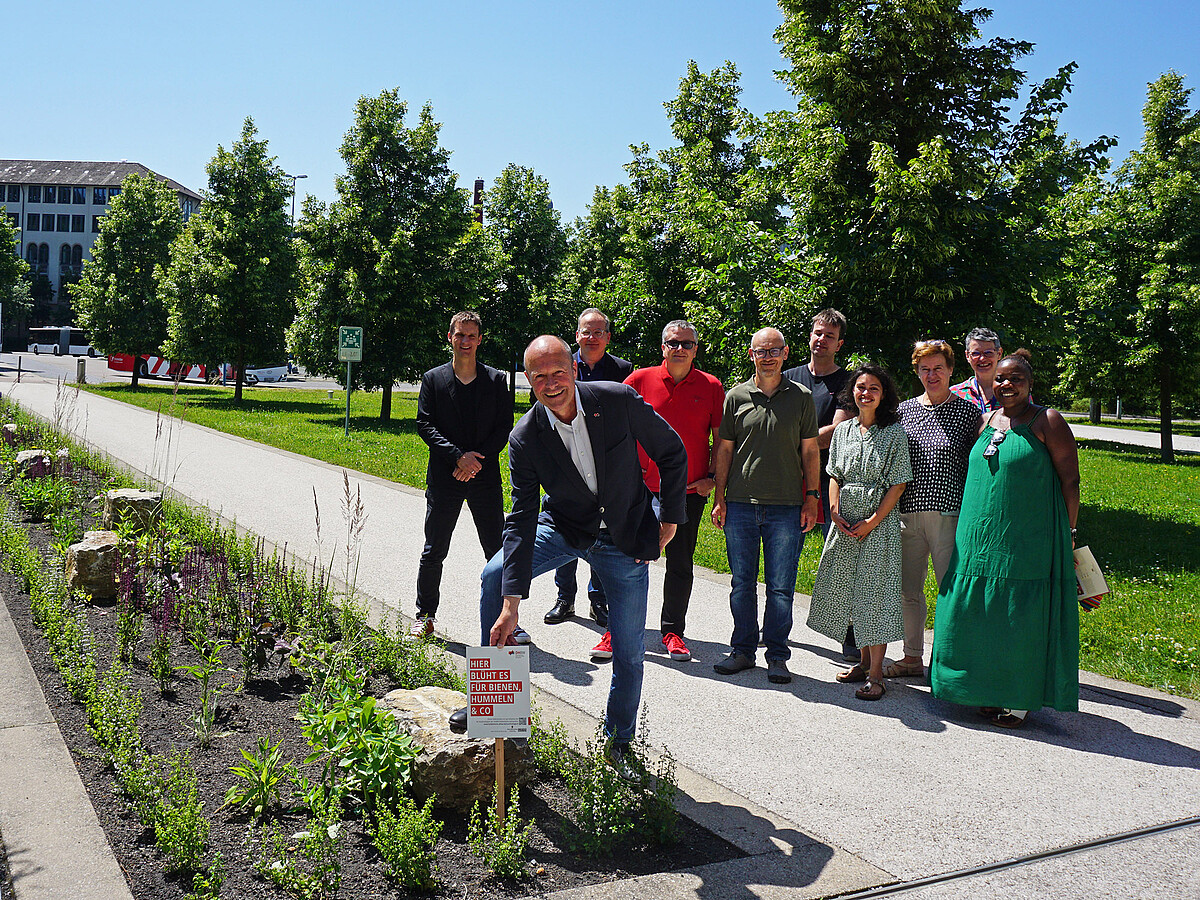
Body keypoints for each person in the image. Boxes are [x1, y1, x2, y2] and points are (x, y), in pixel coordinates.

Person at [450, 336, 687, 774]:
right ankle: (494, 705)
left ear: (574, 369)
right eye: (539, 376)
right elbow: (520, 517)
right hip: (563, 528)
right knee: (493, 574)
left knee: (631, 651)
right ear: (527, 380)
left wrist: (669, 520)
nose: (551, 382)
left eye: (558, 371)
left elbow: (673, 452)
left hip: (623, 538)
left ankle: (618, 741)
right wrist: (511, 604)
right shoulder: (524, 437)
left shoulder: (616, 399)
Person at [930, 349, 1080, 728]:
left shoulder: (1047, 420)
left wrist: (1069, 533)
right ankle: (982, 689)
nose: (1007, 384)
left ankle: (1015, 698)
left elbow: (1070, 481)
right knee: (976, 615)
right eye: (1000, 378)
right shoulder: (985, 420)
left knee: (1018, 619)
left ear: (1030, 384)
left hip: (1027, 539)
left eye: (1016, 379)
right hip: (978, 540)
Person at [710, 328, 820, 685]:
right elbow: (724, 449)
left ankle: (776, 655)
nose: (768, 356)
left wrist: (812, 496)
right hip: (740, 504)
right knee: (742, 583)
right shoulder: (735, 396)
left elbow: (809, 450)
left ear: (786, 353)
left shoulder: (801, 397)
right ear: (751, 354)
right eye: (762, 351)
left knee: (781, 587)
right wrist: (719, 497)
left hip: (787, 506)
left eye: (775, 350)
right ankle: (742, 651)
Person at [614, 319, 724, 663]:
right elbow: (616, 433)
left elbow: (721, 441)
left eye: (687, 344)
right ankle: (614, 630)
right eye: (673, 343)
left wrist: (713, 479)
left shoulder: (711, 386)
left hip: (688, 491)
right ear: (662, 346)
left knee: (680, 562)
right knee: (625, 558)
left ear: (696, 349)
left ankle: (672, 631)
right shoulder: (638, 380)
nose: (680, 349)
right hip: (639, 489)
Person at [807, 365, 911, 701]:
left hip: (877, 526)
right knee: (850, 592)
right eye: (860, 388)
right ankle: (864, 663)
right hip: (844, 521)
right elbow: (834, 473)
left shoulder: (893, 432)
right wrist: (834, 510)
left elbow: (898, 483)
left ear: (884, 395)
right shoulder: (843, 431)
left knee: (874, 597)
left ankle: (878, 675)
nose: (865, 393)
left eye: (873, 389)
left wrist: (872, 521)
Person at [414, 311, 514, 638]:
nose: (466, 342)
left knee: (497, 553)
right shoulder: (433, 379)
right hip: (445, 478)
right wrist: (458, 457)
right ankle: (425, 616)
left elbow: (503, 427)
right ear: (450, 338)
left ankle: (507, 620)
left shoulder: (497, 380)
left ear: (480, 339)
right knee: (434, 551)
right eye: (460, 335)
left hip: (484, 478)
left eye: (471, 336)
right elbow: (425, 424)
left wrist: (475, 462)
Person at [886, 341, 980, 678]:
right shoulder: (904, 410)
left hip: (949, 515)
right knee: (908, 591)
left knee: (950, 590)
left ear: (952, 369)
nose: (931, 374)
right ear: (917, 372)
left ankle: (948, 660)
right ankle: (912, 657)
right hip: (907, 513)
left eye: (938, 367)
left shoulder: (969, 414)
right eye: (924, 369)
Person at [544, 308, 634, 629]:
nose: (592, 337)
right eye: (586, 331)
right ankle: (565, 599)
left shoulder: (623, 370)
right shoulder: (560, 367)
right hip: (566, 465)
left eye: (598, 332)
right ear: (577, 334)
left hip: (605, 468)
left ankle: (599, 601)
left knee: (602, 534)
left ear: (608, 337)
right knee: (566, 532)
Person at [783, 308, 857, 660]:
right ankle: (776, 627)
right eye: (817, 333)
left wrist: (792, 439)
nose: (821, 339)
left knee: (841, 558)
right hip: (788, 481)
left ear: (839, 343)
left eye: (829, 335)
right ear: (809, 336)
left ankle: (849, 633)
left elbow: (837, 431)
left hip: (834, 480)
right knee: (786, 557)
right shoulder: (788, 377)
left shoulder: (849, 382)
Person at [950, 327, 1005, 412]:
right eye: (976, 353)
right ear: (967, 356)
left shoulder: (1014, 391)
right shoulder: (954, 394)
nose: (982, 358)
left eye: (988, 353)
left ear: (999, 353)